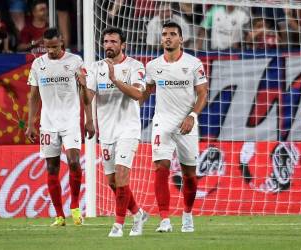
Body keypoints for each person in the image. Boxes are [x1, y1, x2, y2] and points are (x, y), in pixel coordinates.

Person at [79, 27, 148, 237]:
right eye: (106, 41)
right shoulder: (95, 68)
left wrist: (115, 79)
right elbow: (88, 99)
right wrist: (82, 88)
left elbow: (137, 94)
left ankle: (118, 226)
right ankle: (138, 213)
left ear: (122, 45)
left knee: (121, 176)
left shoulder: (135, 66)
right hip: (106, 131)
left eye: (113, 42)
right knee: (112, 182)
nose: (109, 45)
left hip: (128, 129)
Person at [142, 22, 208, 232]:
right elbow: (145, 92)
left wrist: (192, 115)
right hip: (162, 122)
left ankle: (187, 214)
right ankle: (164, 219)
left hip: (187, 123)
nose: (168, 37)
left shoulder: (194, 63)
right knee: (161, 167)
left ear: (181, 39)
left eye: (172, 34)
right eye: (164, 34)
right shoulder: (152, 66)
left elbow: (203, 93)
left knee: (189, 174)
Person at [25, 27, 95, 226]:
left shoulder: (75, 61)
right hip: (48, 123)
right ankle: (59, 215)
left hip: (71, 121)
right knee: (51, 168)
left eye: (55, 47)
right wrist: (31, 123)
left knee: (74, 162)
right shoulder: (38, 64)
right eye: (48, 47)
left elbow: (85, 95)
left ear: (62, 42)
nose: (52, 51)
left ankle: (74, 207)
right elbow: (33, 96)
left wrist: (89, 120)